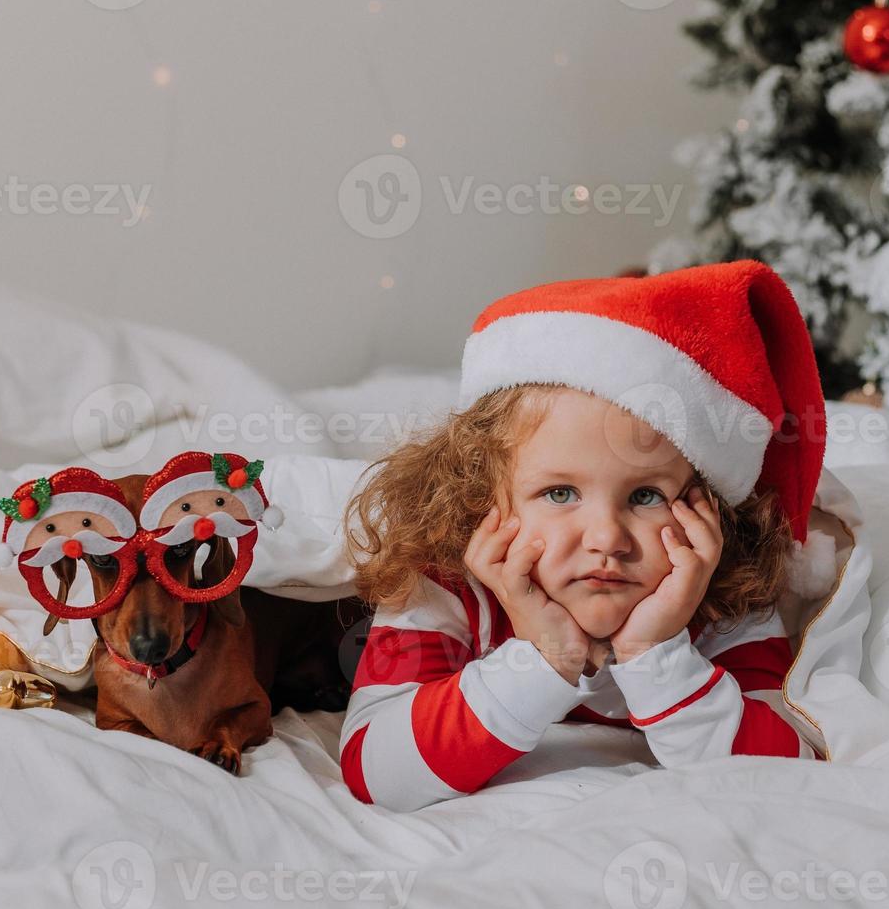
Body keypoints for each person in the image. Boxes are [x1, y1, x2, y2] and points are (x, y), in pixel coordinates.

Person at [339, 261, 835, 811]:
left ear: (708, 511)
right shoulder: (446, 582)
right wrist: (544, 655)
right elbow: (375, 773)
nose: (605, 539)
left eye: (646, 496)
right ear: (481, 495)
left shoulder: (720, 594)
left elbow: (790, 777)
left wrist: (656, 654)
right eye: (558, 494)